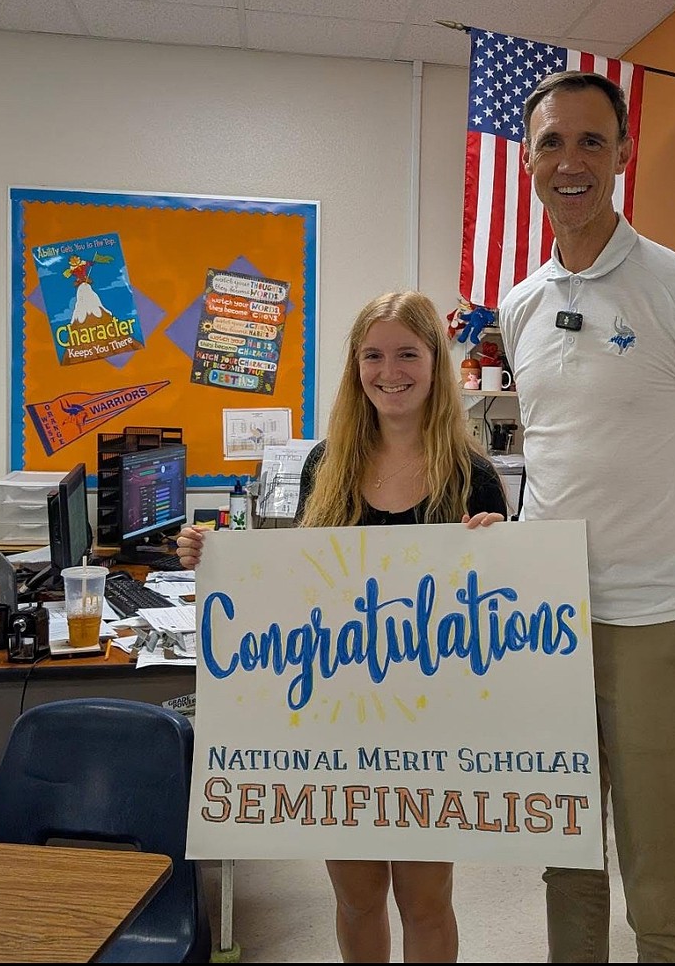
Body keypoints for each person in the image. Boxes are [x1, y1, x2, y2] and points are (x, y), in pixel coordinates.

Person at [498, 70, 675, 963]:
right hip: (547, 627)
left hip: (655, 625)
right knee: (566, 865)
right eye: (550, 142)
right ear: (528, 159)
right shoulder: (522, 304)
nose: (568, 161)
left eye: (589, 141)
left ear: (622, 155)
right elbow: (555, 458)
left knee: (659, 878)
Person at [177, 290, 508, 964]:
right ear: (355, 367)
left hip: (432, 723)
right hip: (341, 720)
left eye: (408, 354)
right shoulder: (325, 466)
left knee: (425, 901)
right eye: (373, 355)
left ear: (436, 364)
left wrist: (505, 549)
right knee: (355, 898)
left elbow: (500, 613)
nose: (391, 371)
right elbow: (297, 585)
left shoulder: (471, 473)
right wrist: (219, 560)